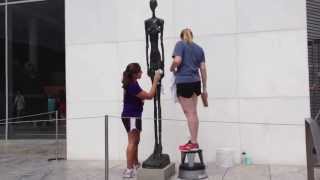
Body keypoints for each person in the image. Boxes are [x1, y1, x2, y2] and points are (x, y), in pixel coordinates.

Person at [170, 28, 208, 152]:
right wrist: (204, 87)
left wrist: (172, 68)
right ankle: (193, 140)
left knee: (189, 113)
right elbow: (202, 69)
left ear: (181, 36)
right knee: (193, 112)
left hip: (184, 82)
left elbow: (177, 60)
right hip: (196, 82)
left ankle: (193, 142)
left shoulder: (180, 44)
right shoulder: (199, 48)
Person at [121, 62, 161, 178]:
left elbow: (137, 97)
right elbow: (149, 96)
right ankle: (129, 170)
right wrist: (155, 81)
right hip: (131, 116)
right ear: (134, 74)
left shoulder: (133, 83)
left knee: (136, 140)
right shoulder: (132, 85)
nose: (142, 73)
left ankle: (135, 163)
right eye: (140, 71)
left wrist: (139, 100)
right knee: (132, 142)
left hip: (134, 115)